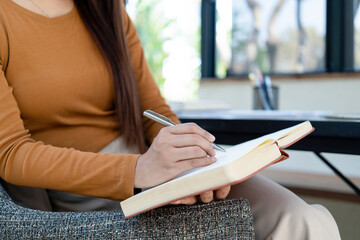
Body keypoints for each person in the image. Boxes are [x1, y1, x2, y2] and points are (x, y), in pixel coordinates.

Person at [0, 0, 340, 239]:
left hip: (153, 167)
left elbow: (153, 109)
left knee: (302, 219)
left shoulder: (107, 10)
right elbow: (10, 152)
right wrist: (137, 172)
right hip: (80, 184)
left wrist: (194, 159)